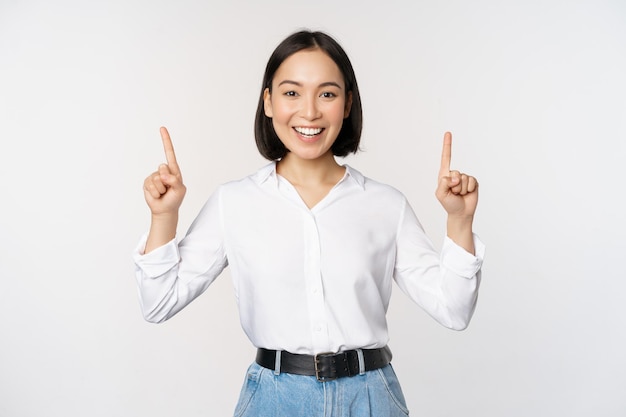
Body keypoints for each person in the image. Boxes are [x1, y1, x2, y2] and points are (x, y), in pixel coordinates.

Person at [134, 30, 484, 417]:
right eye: (291, 93)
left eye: (328, 94)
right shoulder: (233, 203)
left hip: (370, 399)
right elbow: (158, 303)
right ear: (268, 102)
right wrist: (164, 217)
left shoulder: (385, 205)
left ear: (347, 103)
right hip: (273, 400)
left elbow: (454, 310)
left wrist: (459, 221)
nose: (310, 111)